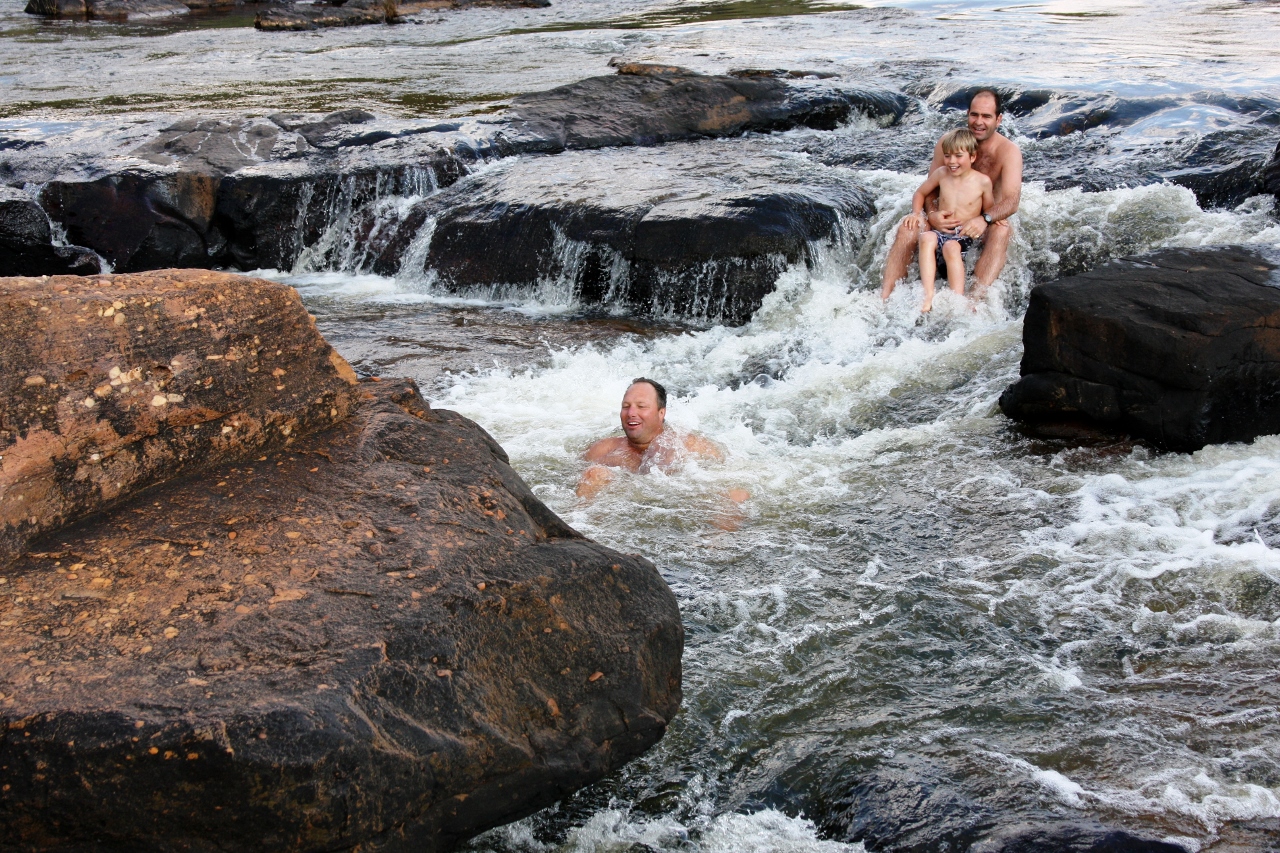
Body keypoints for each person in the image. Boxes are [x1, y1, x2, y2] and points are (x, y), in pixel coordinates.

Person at [880, 89, 1023, 302]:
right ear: (967, 115)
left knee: (1003, 231)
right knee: (908, 227)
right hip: (946, 218)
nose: (978, 122)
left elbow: (1012, 201)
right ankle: (885, 297)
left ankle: (974, 301)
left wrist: (985, 219)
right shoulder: (948, 143)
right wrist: (932, 214)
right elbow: (930, 190)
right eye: (974, 115)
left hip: (983, 219)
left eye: (986, 116)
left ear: (998, 119)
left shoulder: (1008, 151)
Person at [577, 378, 747, 503]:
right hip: (620, 509)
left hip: (679, 506)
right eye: (626, 406)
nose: (631, 413)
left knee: (736, 494)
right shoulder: (602, 449)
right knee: (594, 474)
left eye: (641, 406)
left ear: (661, 413)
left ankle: (715, 543)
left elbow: (735, 478)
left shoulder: (692, 446)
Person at [910, 128, 994, 312]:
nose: (952, 161)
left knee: (950, 247)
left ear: (972, 157)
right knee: (926, 238)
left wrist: (988, 221)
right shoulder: (941, 174)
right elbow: (921, 193)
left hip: (963, 236)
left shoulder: (982, 182)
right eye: (947, 156)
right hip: (942, 231)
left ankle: (957, 300)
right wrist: (916, 213)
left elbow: (988, 210)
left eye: (958, 156)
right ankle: (928, 295)